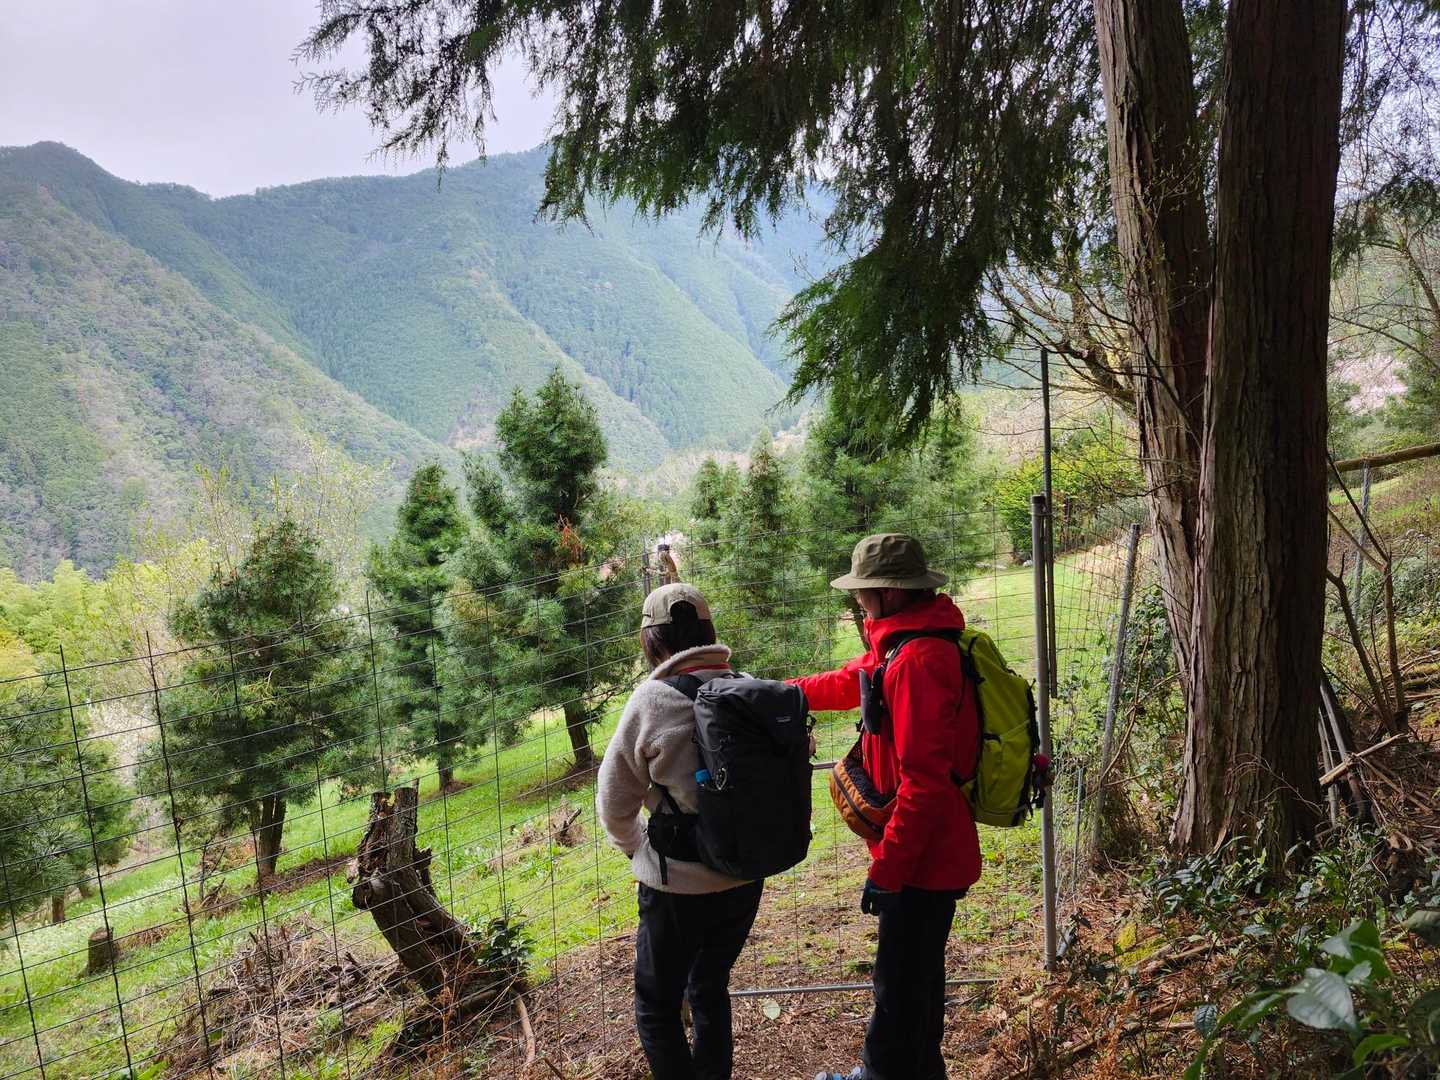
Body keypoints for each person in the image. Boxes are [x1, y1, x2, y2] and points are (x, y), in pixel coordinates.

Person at [798, 534, 981, 1080]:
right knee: (915, 984)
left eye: (864, 591)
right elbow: (847, 681)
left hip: (924, 859)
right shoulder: (899, 646)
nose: (858, 601)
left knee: (898, 985)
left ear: (891, 592)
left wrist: (888, 871)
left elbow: (924, 784)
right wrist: (779, 692)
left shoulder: (919, 661)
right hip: (923, 854)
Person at [596, 583, 763, 1080]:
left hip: (677, 885)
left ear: (652, 640)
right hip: (745, 874)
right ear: (708, 631)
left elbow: (614, 802)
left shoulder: (652, 701)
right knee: (709, 986)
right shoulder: (748, 687)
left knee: (656, 1006)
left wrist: (637, 851)